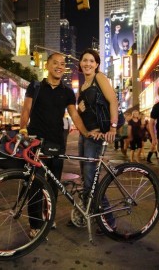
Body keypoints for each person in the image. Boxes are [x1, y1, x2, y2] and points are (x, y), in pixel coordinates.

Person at [19, 52, 99, 237]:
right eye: (55, 63)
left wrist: (86, 132)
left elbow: (75, 115)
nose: (59, 66)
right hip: (35, 142)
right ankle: (35, 224)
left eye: (62, 64)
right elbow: (26, 109)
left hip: (56, 142)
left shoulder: (67, 91)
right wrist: (22, 129)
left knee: (52, 184)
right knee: (35, 184)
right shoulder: (36, 86)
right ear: (47, 65)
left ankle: (49, 217)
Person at [69, 48, 118, 232]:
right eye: (84, 60)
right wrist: (80, 108)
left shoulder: (100, 78)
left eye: (91, 61)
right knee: (86, 179)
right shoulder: (82, 86)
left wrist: (113, 127)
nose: (87, 63)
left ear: (96, 64)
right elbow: (85, 112)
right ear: (80, 64)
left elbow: (113, 101)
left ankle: (109, 220)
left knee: (91, 182)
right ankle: (88, 214)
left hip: (96, 136)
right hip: (86, 135)